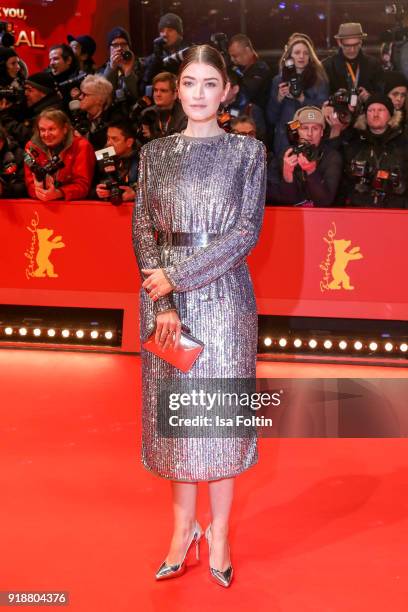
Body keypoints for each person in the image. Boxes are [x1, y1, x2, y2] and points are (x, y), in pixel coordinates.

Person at [132, 44, 266, 587]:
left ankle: (221, 532)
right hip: (165, 304)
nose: (198, 94)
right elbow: (144, 230)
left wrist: (179, 277)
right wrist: (163, 296)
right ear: (177, 88)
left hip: (225, 298)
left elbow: (244, 234)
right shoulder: (154, 154)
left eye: (210, 84)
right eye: (189, 83)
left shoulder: (247, 154)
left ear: (227, 91)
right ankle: (182, 529)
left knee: (218, 421)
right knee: (178, 425)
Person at [267, 33, 329, 158]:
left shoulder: (320, 81)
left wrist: (302, 99)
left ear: (310, 57)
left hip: (311, 141)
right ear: (290, 56)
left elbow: (322, 115)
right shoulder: (278, 81)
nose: (301, 56)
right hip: (284, 142)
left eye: (306, 53)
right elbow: (271, 118)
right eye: (297, 52)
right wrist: (278, 98)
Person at [341, 94, 408, 208]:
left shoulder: (403, 142)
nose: (375, 114)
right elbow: (345, 182)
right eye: (371, 110)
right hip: (360, 210)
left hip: (396, 210)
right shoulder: (354, 141)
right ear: (365, 115)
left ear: (391, 114)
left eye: (381, 110)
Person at [267, 106, 342, 206]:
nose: (309, 134)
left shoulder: (332, 157)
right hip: (291, 217)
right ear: (296, 132)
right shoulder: (286, 155)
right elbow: (283, 201)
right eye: (304, 128)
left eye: (315, 128)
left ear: (322, 132)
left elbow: (325, 201)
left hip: (323, 218)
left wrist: (311, 172)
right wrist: (288, 175)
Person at [24, 109, 95, 201]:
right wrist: (40, 191)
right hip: (40, 203)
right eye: (42, 130)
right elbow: (30, 184)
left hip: (72, 205)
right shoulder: (31, 147)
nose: (46, 134)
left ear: (65, 129)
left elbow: (82, 185)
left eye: (51, 129)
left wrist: (59, 193)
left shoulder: (81, 146)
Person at [322, 23, 384, 99]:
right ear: (339, 43)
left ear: (361, 42)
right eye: (348, 45)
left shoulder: (374, 65)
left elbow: (382, 94)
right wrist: (335, 97)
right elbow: (320, 96)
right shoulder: (327, 66)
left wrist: (370, 96)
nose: (352, 50)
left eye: (356, 45)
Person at [94, 120, 139, 202]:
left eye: (114, 139)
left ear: (129, 142)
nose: (108, 143)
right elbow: (88, 187)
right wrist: (99, 191)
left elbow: (160, 188)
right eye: (108, 138)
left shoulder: (146, 158)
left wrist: (136, 193)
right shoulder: (103, 154)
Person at [228, 33, 272, 110]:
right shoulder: (240, 69)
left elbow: (246, 94)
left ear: (247, 50)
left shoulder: (261, 69)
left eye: (235, 56)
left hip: (256, 116)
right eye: (231, 56)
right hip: (241, 112)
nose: (232, 60)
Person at [139, 72, 186, 141]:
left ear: (175, 94)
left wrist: (153, 136)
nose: (158, 94)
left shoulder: (184, 117)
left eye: (163, 91)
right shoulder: (146, 114)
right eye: (155, 90)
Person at [100, 27, 139, 104]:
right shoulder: (102, 70)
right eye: (115, 45)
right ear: (109, 49)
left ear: (129, 47)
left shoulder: (140, 66)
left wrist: (128, 72)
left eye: (123, 44)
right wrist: (112, 68)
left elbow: (137, 95)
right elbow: (104, 97)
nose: (120, 48)